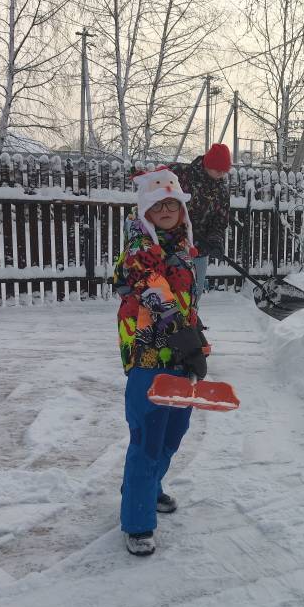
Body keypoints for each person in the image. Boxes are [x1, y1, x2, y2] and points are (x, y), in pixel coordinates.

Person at [112, 166, 209, 557]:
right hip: (149, 353)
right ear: (146, 211)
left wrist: (197, 336)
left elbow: (186, 301)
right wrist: (186, 341)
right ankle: (137, 522)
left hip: (180, 351)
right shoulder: (140, 249)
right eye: (158, 205)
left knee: (173, 430)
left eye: (172, 204)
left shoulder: (181, 245)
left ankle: (148, 488)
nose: (166, 210)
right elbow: (157, 296)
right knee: (149, 434)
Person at [170, 143, 232, 299]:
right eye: (218, 169)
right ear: (208, 164)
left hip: (199, 250)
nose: (221, 174)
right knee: (169, 292)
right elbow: (159, 193)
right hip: (171, 245)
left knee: (194, 293)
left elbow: (220, 220)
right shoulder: (181, 174)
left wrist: (215, 240)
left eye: (224, 170)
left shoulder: (221, 191)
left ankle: (192, 314)